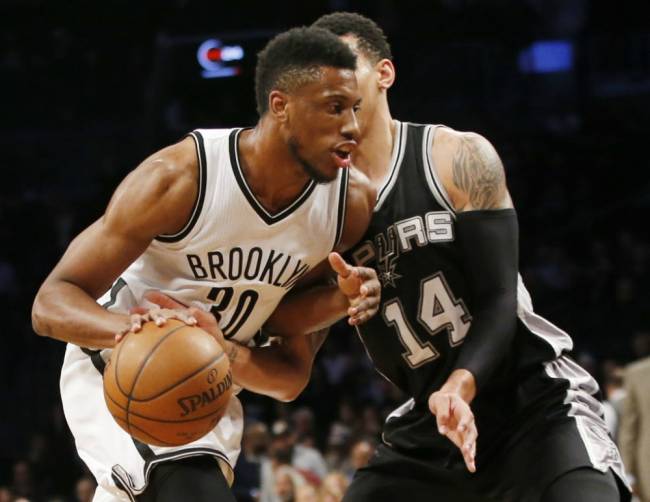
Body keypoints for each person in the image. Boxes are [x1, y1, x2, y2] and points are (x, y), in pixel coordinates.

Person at [287, 12, 628, 502]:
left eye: (345, 68)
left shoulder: (456, 157)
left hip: (533, 406)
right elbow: (291, 366)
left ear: (385, 73)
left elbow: (498, 300)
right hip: (433, 424)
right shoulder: (319, 213)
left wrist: (461, 385)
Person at [31, 26, 380, 502]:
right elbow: (50, 305)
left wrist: (341, 300)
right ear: (281, 106)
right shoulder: (181, 177)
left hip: (208, 388)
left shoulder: (348, 208)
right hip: (119, 366)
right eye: (335, 107)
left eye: (356, 109)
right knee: (193, 485)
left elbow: (289, 378)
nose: (353, 128)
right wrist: (133, 330)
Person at [619, 355, 650, 501]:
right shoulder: (637, 373)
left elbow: (629, 429)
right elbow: (629, 429)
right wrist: (628, 474)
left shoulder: (637, 373)